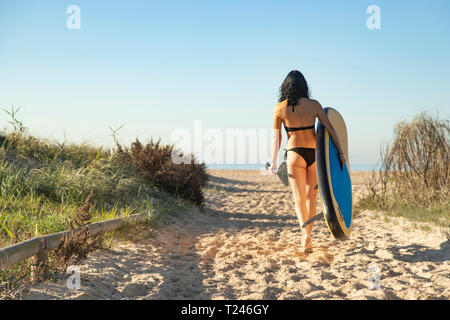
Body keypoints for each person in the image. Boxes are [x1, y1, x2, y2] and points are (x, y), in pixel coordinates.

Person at [269, 70, 346, 253]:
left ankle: (306, 236)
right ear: (304, 86)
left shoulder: (279, 108)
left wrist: (273, 161)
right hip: (314, 155)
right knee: (311, 198)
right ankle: (308, 237)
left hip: (294, 154)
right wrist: (341, 152)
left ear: (285, 87)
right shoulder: (314, 105)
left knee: (299, 199)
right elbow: (330, 129)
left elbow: (276, 138)